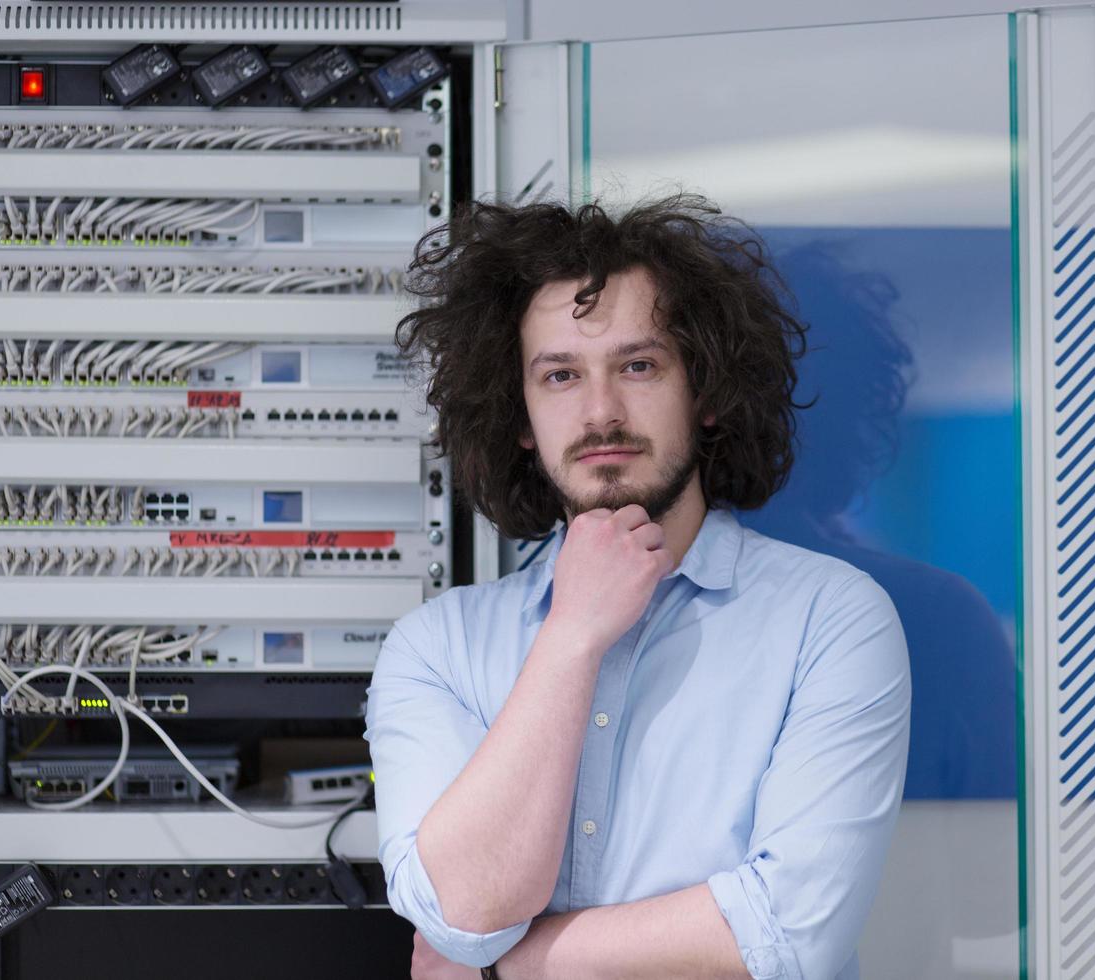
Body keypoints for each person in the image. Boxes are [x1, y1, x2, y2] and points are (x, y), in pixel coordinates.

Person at [367, 194, 911, 980]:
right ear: (520, 414)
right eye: (559, 375)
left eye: (639, 365)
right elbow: (463, 913)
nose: (601, 412)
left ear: (709, 392)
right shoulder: (438, 645)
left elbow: (789, 936)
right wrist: (572, 634)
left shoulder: (830, 619)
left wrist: (502, 969)